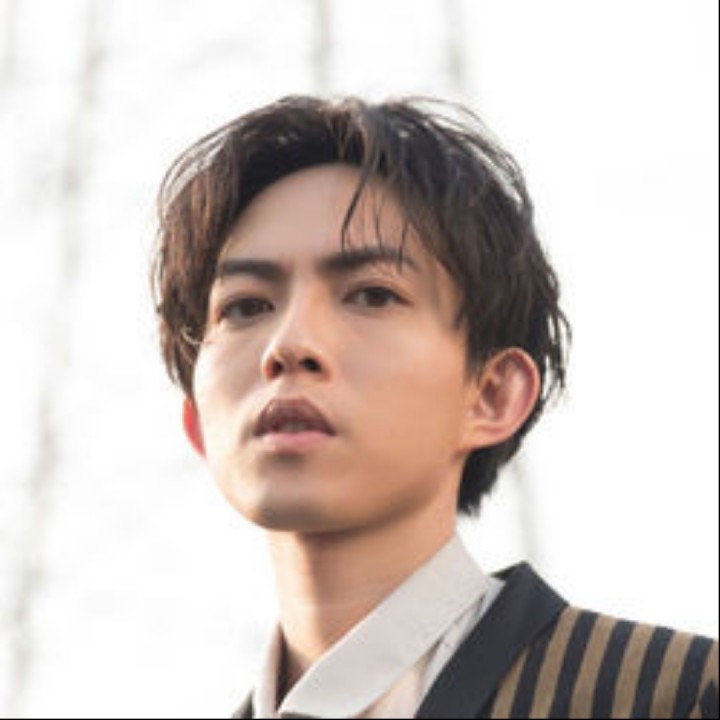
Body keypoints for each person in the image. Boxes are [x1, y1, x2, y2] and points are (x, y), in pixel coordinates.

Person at [151, 95, 718, 719]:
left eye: (372, 295)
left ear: (493, 394)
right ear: (197, 422)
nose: (289, 346)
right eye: (245, 307)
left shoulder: (676, 696)